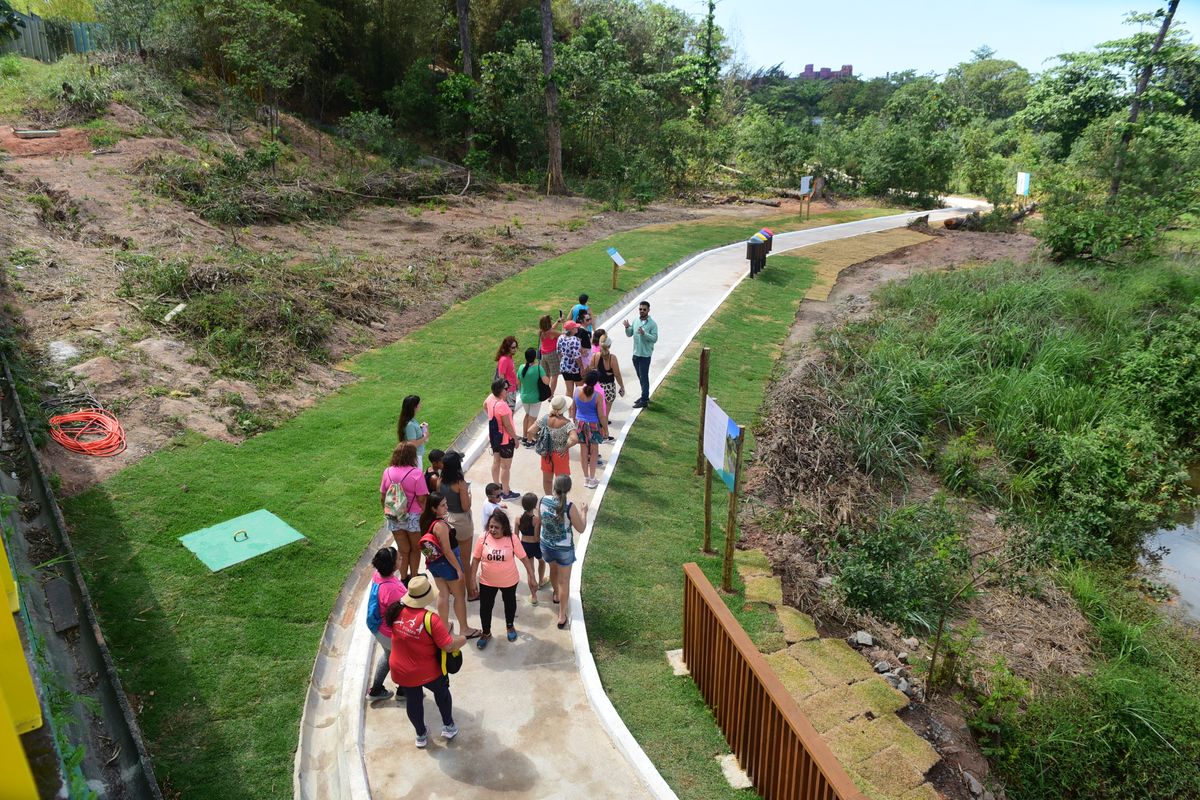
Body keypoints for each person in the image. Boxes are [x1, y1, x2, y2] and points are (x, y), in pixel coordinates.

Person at [385, 575, 468, 748]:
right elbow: (448, 646)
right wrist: (462, 639)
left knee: (413, 701)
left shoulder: (396, 611)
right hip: (427, 671)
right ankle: (448, 726)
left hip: (402, 671)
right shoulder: (430, 619)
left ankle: (421, 735)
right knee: (442, 693)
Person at [471, 509, 536, 648]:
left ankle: (510, 626)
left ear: (504, 528)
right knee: (485, 608)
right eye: (491, 526)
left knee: (510, 603)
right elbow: (475, 559)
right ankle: (486, 632)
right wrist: (472, 580)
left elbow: (524, 558)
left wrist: (532, 576)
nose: (493, 530)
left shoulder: (512, 538)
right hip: (486, 581)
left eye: (496, 527)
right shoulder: (483, 538)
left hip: (509, 581)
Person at [419, 493, 481, 639]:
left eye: (446, 503)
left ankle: (444, 626)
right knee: (460, 596)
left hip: (435, 564)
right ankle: (464, 629)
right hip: (448, 564)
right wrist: (459, 569)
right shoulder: (440, 526)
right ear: (434, 509)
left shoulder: (427, 521)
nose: (446, 507)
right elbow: (447, 551)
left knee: (443, 593)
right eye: (442, 505)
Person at [540, 475, 588, 629]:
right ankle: (561, 614)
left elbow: (541, 520)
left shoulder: (543, 500)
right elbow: (581, 528)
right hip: (564, 549)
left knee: (553, 571)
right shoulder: (570, 507)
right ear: (569, 488)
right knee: (564, 581)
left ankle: (555, 594)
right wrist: (584, 512)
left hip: (547, 545)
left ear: (554, 486)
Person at [380, 442, 429, 580]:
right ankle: (414, 578)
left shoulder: (387, 471)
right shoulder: (416, 474)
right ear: (412, 456)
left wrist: (389, 512)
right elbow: (422, 499)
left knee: (403, 550)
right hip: (413, 517)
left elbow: (383, 497)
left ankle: (403, 578)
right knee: (415, 549)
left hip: (394, 515)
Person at [366, 547, 408, 702]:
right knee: (404, 658)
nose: (401, 558)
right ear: (391, 565)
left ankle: (376, 690)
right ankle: (403, 691)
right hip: (388, 632)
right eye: (398, 558)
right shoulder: (392, 590)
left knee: (388, 655)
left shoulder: (378, 576)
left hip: (378, 627)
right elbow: (402, 614)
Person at [438, 452, 478, 600]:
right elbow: (466, 507)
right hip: (461, 523)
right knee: (464, 560)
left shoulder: (439, 481)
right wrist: (470, 496)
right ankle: (470, 592)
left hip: (446, 522)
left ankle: (451, 589)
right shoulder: (460, 483)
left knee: (450, 557)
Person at [571, 370, 609, 490]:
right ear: (596, 381)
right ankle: (592, 479)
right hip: (593, 425)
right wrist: (605, 429)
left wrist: (574, 421)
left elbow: (573, 408)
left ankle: (586, 478)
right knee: (593, 453)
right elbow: (601, 415)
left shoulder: (577, 390)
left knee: (583, 452)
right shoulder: (598, 396)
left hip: (580, 424)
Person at [485, 378, 520, 500]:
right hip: (505, 440)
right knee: (505, 467)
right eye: (506, 389)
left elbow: (485, 406)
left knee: (496, 461)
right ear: (500, 391)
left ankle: (496, 485)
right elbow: (508, 425)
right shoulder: (503, 406)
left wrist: (491, 417)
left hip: (494, 437)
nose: (508, 390)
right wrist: (515, 438)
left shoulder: (490, 399)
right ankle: (506, 492)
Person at [536, 394, 578, 494]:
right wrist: (566, 447)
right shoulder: (567, 423)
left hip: (546, 453)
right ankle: (560, 501)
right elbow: (575, 439)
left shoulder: (545, 419)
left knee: (547, 480)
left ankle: (548, 498)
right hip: (560, 454)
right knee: (562, 483)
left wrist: (540, 440)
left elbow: (530, 431)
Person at [622, 300, 659, 408]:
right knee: (640, 376)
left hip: (645, 356)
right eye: (640, 309)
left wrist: (644, 334)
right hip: (636, 354)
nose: (642, 311)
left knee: (644, 377)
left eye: (644, 309)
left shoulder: (652, 324)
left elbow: (654, 338)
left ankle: (644, 400)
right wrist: (627, 327)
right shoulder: (636, 320)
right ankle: (644, 395)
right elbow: (629, 334)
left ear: (648, 310)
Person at [518, 492, 548, 601]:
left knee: (530, 571)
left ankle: (534, 596)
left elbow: (516, 536)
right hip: (536, 546)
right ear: (535, 505)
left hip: (524, 546)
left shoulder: (518, 518)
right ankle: (540, 581)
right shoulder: (536, 520)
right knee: (542, 562)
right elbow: (536, 538)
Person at [517, 347, 549, 446]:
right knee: (532, 419)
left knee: (527, 416)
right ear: (535, 357)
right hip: (535, 398)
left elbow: (518, 382)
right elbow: (546, 382)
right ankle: (530, 441)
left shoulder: (521, 367)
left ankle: (525, 437)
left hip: (524, 397)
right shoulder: (539, 368)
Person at [397, 395, 430, 467]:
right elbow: (413, 444)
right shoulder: (410, 425)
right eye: (419, 404)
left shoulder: (412, 421)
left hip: (416, 456)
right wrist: (425, 437)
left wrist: (420, 427)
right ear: (414, 407)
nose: (420, 405)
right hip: (414, 457)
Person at [557, 320, 583, 399]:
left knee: (569, 390)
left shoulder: (560, 338)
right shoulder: (575, 340)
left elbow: (559, 353)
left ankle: (569, 409)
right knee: (580, 389)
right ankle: (579, 408)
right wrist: (581, 366)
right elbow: (577, 356)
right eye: (575, 327)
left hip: (564, 367)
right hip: (575, 368)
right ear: (571, 330)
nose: (577, 328)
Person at [538, 314, 563, 394]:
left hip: (543, 355)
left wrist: (558, 322)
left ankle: (545, 392)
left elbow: (551, 329)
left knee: (546, 375)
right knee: (554, 376)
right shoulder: (552, 332)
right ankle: (551, 395)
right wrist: (563, 323)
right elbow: (563, 335)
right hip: (552, 355)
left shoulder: (541, 332)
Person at [494, 335, 520, 411]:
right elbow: (501, 378)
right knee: (509, 414)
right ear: (507, 348)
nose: (515, 349)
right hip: (509, 392)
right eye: (513, 347)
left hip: (512, 390)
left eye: (516, 347)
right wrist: (504, 393)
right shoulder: (504, 360)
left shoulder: (509, 357)